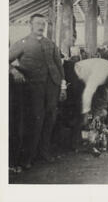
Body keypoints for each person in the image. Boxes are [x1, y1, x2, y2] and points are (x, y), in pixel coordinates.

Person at [9, 14, 67, 170]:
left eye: (43, 23)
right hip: (33, 89)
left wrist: (62, 87)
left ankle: (45, 152)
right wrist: (14, 71)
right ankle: (28, 157)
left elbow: (59, 67)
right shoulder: (22, 43)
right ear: (31, 25)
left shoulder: (51, 44)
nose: (41, 26)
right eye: (38, 23)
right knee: (35, 121)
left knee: (50, 118)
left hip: (52, 88)